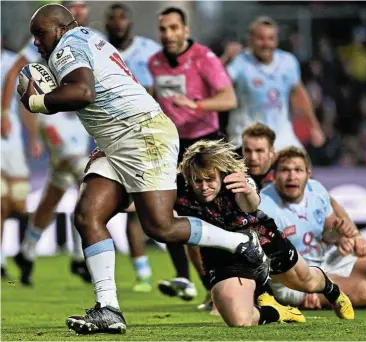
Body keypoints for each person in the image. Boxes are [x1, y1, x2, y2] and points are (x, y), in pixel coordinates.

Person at [18, 4, 268, 334]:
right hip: (121, 139)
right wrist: (104, 143)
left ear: (61, 29)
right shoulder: (86, 38)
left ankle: (239, 243)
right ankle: (108, 308)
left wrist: (38, 102)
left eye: (40, 33)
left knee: (160, 226)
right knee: (87, 214)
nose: (36, 42)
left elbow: (83, 92)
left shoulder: (68, 45)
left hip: (142, 135)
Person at [175, 140, 355, 325]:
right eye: (198, 181)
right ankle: (276, 312)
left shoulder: (237, 180)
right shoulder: (178, 188)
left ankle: (332, 291)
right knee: (239, 321)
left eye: (210, 180)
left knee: (306, 281)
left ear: (221, 174)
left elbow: (251, 205)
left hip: (263, 239)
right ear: (189, 178)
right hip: (222, 255)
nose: (204, 187)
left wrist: (245, 190)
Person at [1, 0, 97, 286]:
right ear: (64, 14)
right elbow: (15, 72)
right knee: (85, 175)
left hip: (77, 119)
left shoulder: (90, 39)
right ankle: (82, 257)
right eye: (73, 6)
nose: (79, 11)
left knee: (58, 187)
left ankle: (27, 251)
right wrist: (7, 110)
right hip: (51, 115)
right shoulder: (47, 37)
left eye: (83, 6)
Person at [146, 6, 237, 302]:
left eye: (174, 28)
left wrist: (195, 105)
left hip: (205, 144)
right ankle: (186, 278)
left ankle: (229, 283)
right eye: (163, 29)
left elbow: (228, 98)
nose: (168, 34)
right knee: (168, 211)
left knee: (216, 217)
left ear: (185, 30)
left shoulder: (204, 58)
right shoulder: (154, 62)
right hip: (172, 145)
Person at [259, 146, 366, 309]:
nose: (292, 176)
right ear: (274, 176)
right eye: (285, 170)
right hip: (293, 279)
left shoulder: (316, 189)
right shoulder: (266, 206)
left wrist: (342, 238)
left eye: (298, 170)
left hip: (325, 260)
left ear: (308, 174)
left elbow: (329, 231)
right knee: (365, 291)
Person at [105, 2, 161, 293]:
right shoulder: (100, 50)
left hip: (147, 134)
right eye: (111, 18)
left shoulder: (148, 50)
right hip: (113, 137)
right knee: (130, 207)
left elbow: (155, 91)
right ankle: (142, 273)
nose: (117, 23)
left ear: (130, 22)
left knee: (150, 210)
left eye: (121, 17)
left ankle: (185, 274)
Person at [225, 16, 325, 153]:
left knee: (299, 167)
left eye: (271, 38)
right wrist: (224, 59)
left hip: (280, 134)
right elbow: (217, 85)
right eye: (261, 38)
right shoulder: (240, 62)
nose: (266, 43)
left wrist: (314, 126)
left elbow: (298, 94)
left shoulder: (288, 61)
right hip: (246, 135)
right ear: (250, 40)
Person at [1, 43, 42, 279]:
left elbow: (26, 100)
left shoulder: (12, 61)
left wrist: (33, 136)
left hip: (12, 140)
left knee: (18, 203)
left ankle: (25, 255)